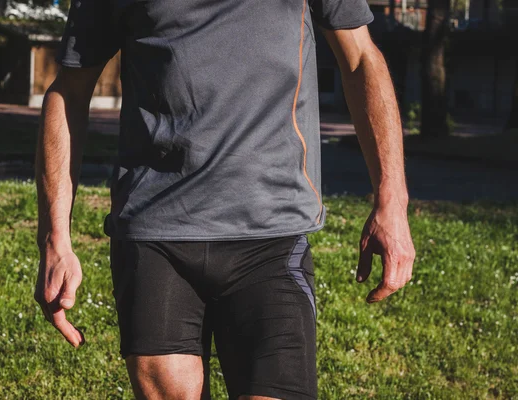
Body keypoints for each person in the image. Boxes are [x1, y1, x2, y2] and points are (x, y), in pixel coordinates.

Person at [34, 0, 416, 398]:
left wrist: (392, 201)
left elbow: (360, 59)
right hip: (156, 236)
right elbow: (69, 92)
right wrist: (54, 240)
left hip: (272, 236)